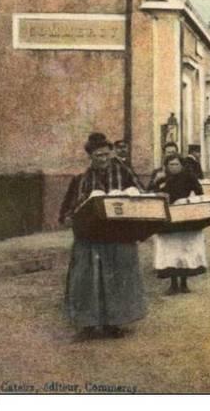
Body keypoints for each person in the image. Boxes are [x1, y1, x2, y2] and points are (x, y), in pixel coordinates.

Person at [59, 132, 147, 340]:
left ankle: (114, 324)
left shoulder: (124, 172)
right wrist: (67, 217)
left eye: (106, 154)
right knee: (86, 280)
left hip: (118, 236)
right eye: (98, 156)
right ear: (90, 157)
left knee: (118, 278)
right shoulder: (82, 179)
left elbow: (141, 194)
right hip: (90, 237)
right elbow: (67, 208)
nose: (103, 159)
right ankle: (87, 325)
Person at [151, 153, 206, 295]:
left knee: (184, 248)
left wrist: (188, 201)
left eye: (176, 164)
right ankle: (173, 283)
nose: (173, 167)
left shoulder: (189, 176)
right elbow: (151, 192)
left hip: (184, 216)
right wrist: (157, 189)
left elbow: (199, 192)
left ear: (181, 165)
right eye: (171, 165)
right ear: (166, 166)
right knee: (170, 250)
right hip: (167, 217)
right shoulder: (161, 177)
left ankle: (184, 283)